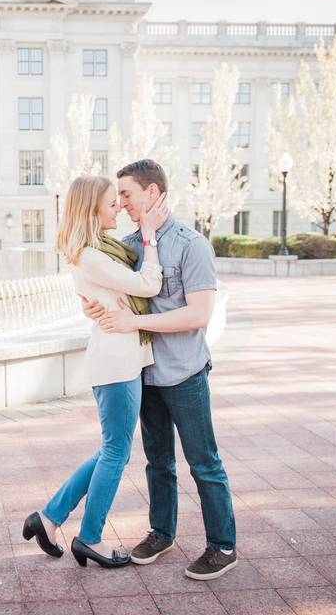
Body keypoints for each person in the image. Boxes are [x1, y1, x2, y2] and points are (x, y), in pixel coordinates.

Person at [84, 159, 238, 580]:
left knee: (203, 462)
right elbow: (107, 291)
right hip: (144, 372)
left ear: (152, 193)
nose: (122, 203)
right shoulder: (130, 245)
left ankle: (222, 545)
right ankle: (162, 532)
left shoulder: (193, 245)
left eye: (128, 194)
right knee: (157, 462)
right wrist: (91, 305)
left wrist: (135, 322)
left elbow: (199, 314)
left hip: (185, 372)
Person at [22, 174, 168, 568]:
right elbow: (148, 284)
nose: (118, 207)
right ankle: (90, 538)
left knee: (110, 451)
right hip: (116, 364)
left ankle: (49, 518)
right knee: (116, 453)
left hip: (120, 359)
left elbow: (116, 290)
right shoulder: (91, 255)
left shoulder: (101, 248)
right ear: (91, 209)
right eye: (110, 202)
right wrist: (151, 236)